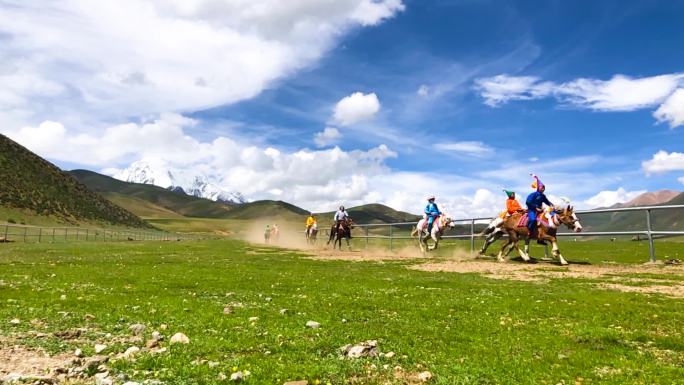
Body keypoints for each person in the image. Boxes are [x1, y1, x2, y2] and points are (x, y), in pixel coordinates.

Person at [526, 174, 554, 244]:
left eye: (544, 188)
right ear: (538, 187)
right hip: (532, 210)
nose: (543, 189)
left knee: (546, 220)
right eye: (542, 187)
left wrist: (552, 205)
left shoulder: (543, 196)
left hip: (540, 210)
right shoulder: (533, 194)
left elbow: (547, 202)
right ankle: (529, 232)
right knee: (532, 219)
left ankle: (540, 239)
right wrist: (535, 207)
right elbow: (528, 202)